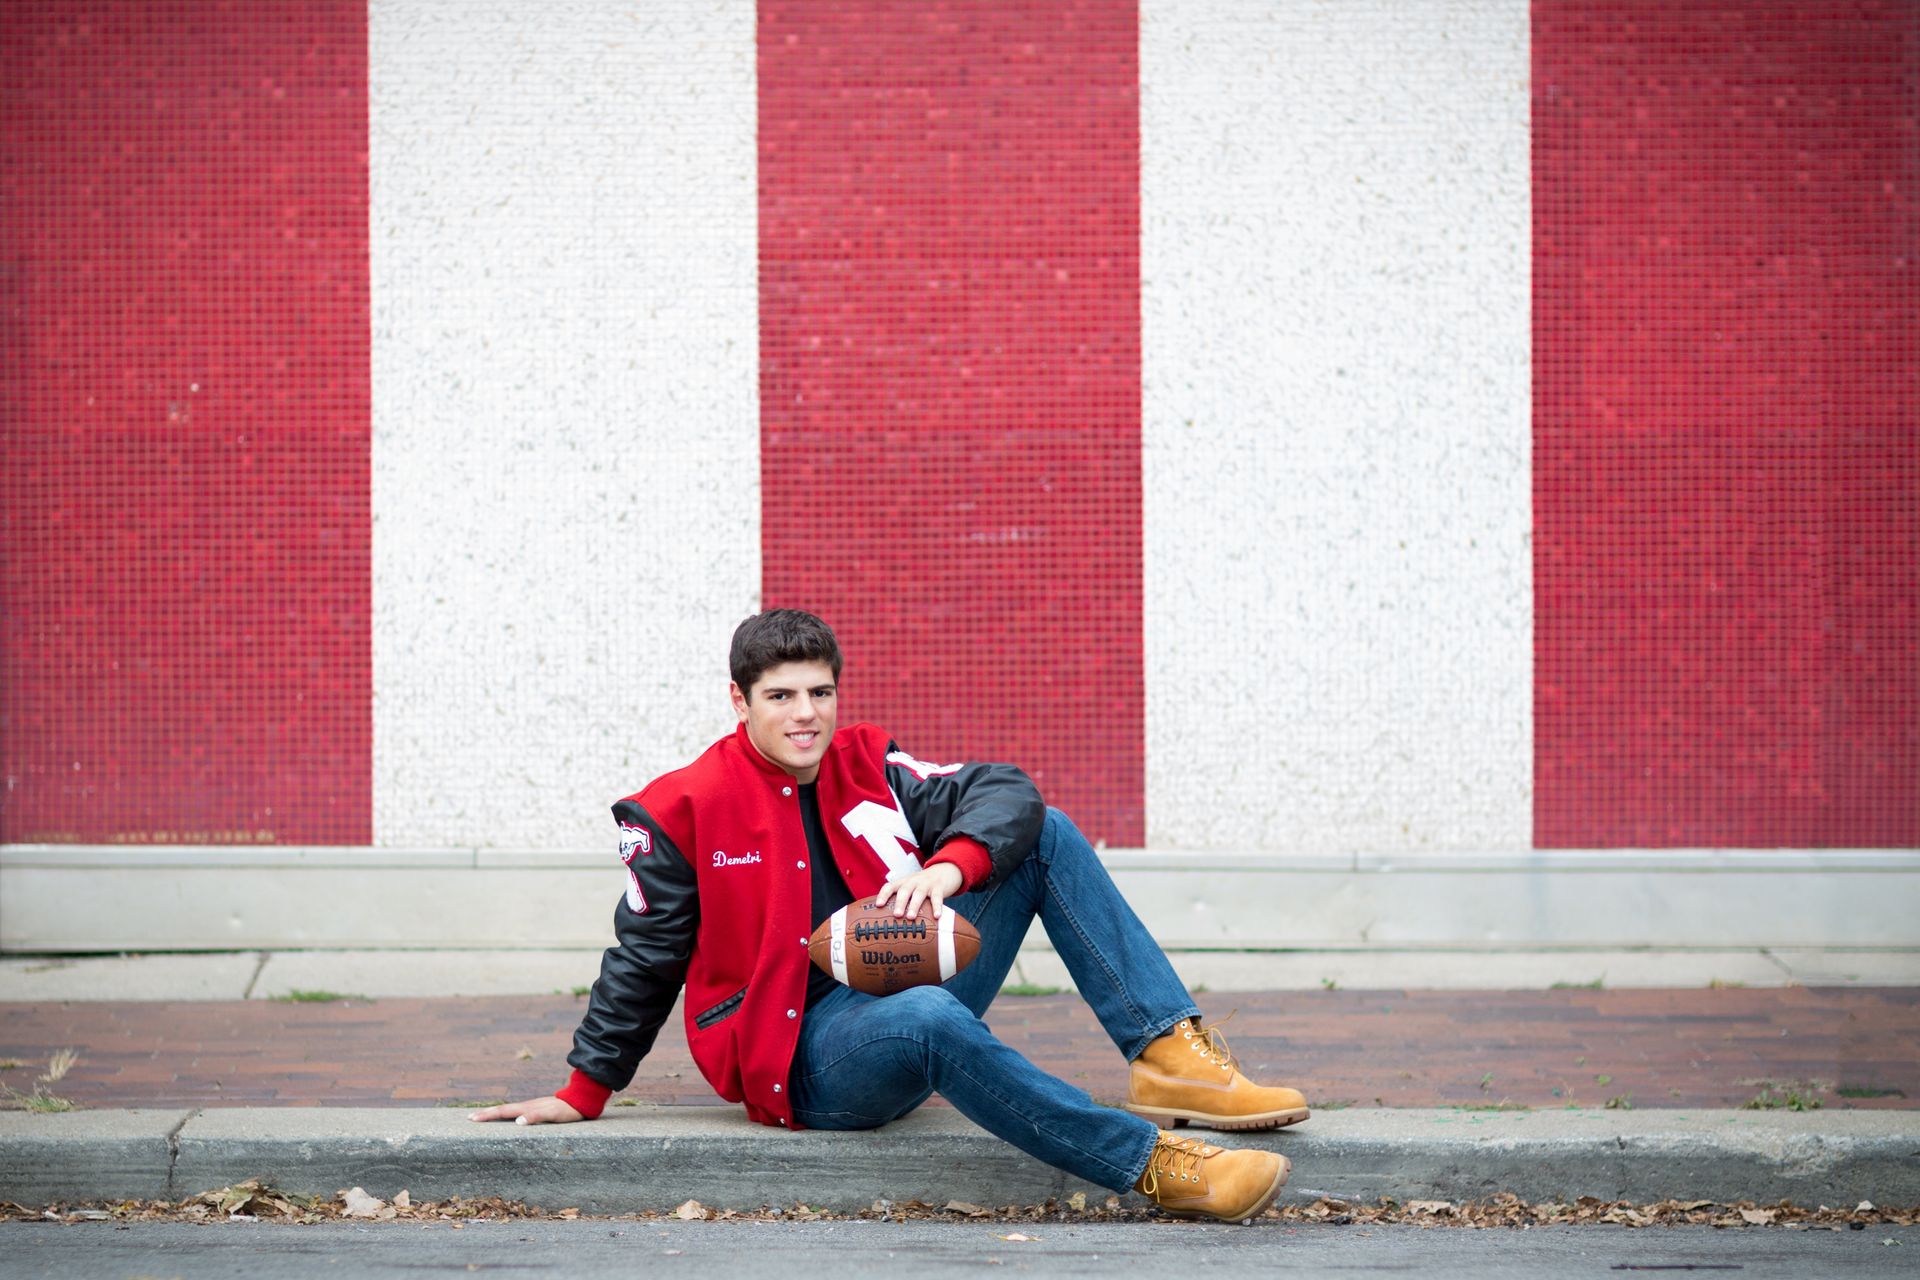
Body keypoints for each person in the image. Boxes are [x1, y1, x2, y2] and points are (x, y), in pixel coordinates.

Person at [471, 609, 1311, 1223]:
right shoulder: (679, 807)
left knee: (1044, 833)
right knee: (929, 1017)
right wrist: (585, 1089)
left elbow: (1004, 791)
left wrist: (950, 867)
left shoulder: (868, 762)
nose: (806, 712)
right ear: (739, 700)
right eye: (782, 695)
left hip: (896, 987)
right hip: (800, 1058)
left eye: (821, 691)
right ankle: (1155, 1167)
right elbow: (643, 957)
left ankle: (1170, 1056)